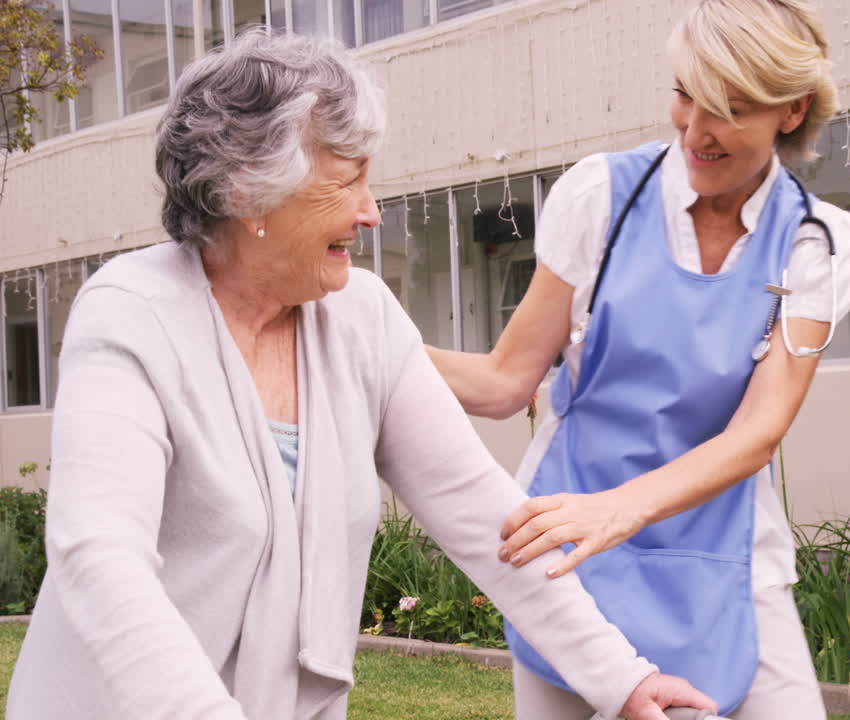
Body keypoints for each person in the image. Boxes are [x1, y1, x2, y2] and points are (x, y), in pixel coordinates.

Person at [5, 30, 715, 720]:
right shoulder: (131, 314)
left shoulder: (362, 317)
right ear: (251, 192)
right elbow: (101, 557)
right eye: (347, 180)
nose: (371, 211)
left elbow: (485, 518)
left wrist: (622, 678)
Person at [425, 1, 850, 718]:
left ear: (792, 111)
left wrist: (621, 511)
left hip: (724, 551)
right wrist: (369, 337)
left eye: (726, 108)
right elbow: (506, 382)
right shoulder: (601, 197)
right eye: (684, 94)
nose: (693, 130)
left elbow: (758, 432)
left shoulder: (818, 240)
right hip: (569, 546)